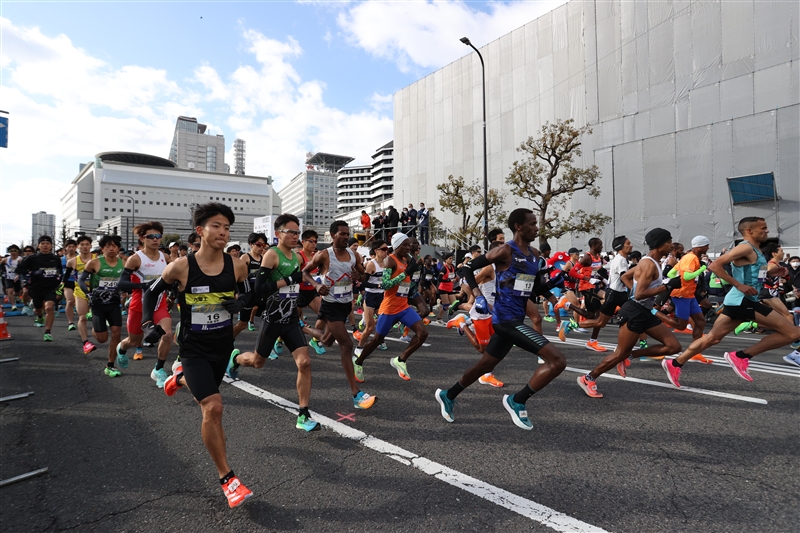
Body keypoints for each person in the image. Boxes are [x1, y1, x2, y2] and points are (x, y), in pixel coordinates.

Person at [143, 202, 254, 508]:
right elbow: (151, 292)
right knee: (213, 407)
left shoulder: (237, 265)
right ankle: (228, 479)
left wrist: (240, 304)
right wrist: (149, 323)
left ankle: (178, 379)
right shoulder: (181, 266)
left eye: (227, 227)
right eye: (216, 226)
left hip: (222, 347)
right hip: (193, 348)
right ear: (200, 230)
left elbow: (249, 293)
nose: (223, 232)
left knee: (203, 400)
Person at [435, 208, 567, 430]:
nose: (536, 228)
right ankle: (517, 400)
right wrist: (477, 296)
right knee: (558, 361)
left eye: (536, 224)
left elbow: (535, 285)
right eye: (532, 223)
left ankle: (448, 394)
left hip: (516, 318)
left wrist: (555, 298)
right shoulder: (505, 251)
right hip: (505, 320)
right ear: (518, 227)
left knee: (485, 365)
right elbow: (466, 269)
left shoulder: (534, 255)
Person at [661, 217, 800, 387]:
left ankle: (674, 364)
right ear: (749, 230)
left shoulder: (755, 250)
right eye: (763, 228)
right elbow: (715, 266)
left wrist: (773, 273)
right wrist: (739, 285)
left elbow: (754, 275)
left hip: (739, 300)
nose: (767, 231)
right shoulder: (744, 247)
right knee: (793, 333)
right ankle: (741, 356)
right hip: (743, 300)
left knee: (712, 338)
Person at [226, 214, 319, 432]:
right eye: (291, 232)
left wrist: (310, 291)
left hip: (291, 319)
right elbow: (259, 288)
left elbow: (295, 286)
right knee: (258, 362)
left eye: (298, 232)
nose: (296, 236)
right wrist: (288, 280)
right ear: (278, 234)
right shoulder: (271, 255)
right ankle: (236, 358)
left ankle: (303, 414)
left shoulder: (296, 257)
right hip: (273, 318)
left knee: (304, 362)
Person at [577, 229, 683, 397]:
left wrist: (633, 292)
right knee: (620, 352)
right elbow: (640, 294)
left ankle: (631, 356)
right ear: (660, 244)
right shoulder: (648, 264)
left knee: (673, 346)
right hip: (634, 311)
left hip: (644, 311)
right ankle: (588, 378)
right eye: (669, 242)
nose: (671, 245)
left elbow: (626, 276)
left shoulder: (651, 262)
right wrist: (667, 286)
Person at [302, 220, 376, 409]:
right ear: (333, 235)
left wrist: (358, 277)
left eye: (347, 233)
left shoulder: (354, 254)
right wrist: (317, 285)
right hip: (331, 305)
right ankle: (356, 394)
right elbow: (304, 272)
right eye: (341, 234)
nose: (345, 237)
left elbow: (363, 275)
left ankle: (307, 330)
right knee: (346, 344)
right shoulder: (324, 255)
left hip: (345, 304)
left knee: (326, 341)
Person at [354, 233, 428, 382]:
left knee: (423, 333)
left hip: (403, 306)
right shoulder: (390, 261)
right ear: (396, 246)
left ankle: (400, 360)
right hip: (389, 309)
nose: (408, 248)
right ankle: (358, 362)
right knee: (377, 340)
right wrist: (407, 272)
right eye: (404, 245)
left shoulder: (407, 260)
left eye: (409, 245)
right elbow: (386, 285)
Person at [116, 222, 174, 386]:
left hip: (159, 304)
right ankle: (121, 348)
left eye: (158, 236)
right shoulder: (136, 259)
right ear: (142, 238)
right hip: (138, 305)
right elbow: (122, 283)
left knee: (168, 334)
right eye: (151, 237)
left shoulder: (166, 257)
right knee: (134, 341)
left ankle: (158, 369)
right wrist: (144, 286)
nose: (156, 240)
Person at [79, 235, 126, 377]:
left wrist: (125, 291)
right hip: (98, 304)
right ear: (102, 249)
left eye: (114, 246)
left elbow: (128, 279)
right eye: (108, 246)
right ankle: (96, 325)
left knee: (117, 332)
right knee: (102, 339)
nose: (111, 249)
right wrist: (88, 294)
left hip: (114, 303)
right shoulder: (94, 263)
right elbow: (81, 280)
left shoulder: (124, 262)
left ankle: (110, 365)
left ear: (118, 248)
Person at [17, 235, 63, 342]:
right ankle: (40, 316)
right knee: (38, 309)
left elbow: (60, 272)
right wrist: (31, 272)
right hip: (36, 288)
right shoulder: (32, 258)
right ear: (39, 246)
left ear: (51, 246)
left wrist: (59, 283)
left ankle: (48, 332)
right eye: (42, 244)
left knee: (49, 308)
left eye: (47, 244)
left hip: (51, 288)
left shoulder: (56, 259)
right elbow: (19, 269)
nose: (45, 246)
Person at [354, 240, 389, 356]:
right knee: (369, 328)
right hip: (371, 296)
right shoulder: (371, 264)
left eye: (387, 249)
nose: (386, 252)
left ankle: (379, 340)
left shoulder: (388, 263)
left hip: (382, 296)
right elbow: (363, 283)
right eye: (383, 249)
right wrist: (378, 285)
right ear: (376, 251)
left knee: (384, 322)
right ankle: (359, 347)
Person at [234, 233, 268, 336]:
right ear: (251, 244)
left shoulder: (264, 258)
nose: (261, 247)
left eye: (263, 245)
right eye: (258, 244)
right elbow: (238, 276)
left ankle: (267, 349)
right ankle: (229, 340)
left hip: (260, 295)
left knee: (269, 322)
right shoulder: (245, 257)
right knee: (243, 324)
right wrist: (236, 292)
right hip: (248, 294)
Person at [60, 239, 78, 331]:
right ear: (65, 248)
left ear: (76, 247)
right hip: (67, 282)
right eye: (69, 246)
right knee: (70, 301)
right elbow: (59, 272)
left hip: (79, 282)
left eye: (73, 246)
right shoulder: (61, 259)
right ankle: (70, 322)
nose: (71, 248)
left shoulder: (80, 258)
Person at [1, 245, 22, 312]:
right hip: (9, 277)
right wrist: (3, 271)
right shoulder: (6, 259)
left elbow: (23, 268)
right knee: (10, 291)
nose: (13, 252)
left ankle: (14, 297)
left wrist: (19, 273)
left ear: (18, 251)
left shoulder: (20, 259)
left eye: (15, 251)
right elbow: (1, 265)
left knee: (17, 292)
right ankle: (13, 305)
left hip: (17, 278)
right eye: (11, 251)